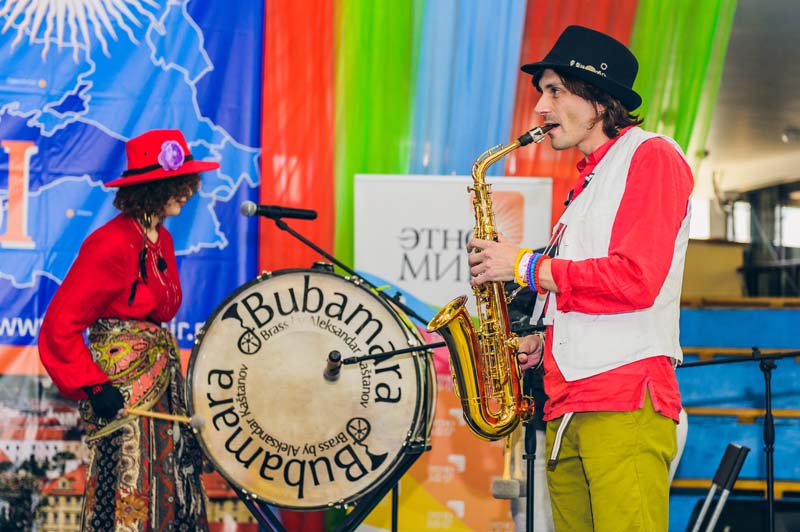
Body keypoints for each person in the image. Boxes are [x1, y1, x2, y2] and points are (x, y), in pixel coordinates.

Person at [468, 26, 693, 531]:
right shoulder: (588, 180)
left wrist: (523, 266)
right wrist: (544, 342)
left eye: (554, 91)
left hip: (623, 401)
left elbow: (636, 279)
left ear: (598, 99)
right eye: (541, 93)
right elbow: (588, 293)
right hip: (566, 404)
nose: (539, 108)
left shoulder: (651, 155)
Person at [38, 129, 219, 531]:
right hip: (124, 395)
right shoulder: (109, 244)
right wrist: (95, 387)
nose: (187, 193)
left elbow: (162, 308)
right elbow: (59, 325)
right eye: (178, 184)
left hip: (162, 389)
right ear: (152, 189)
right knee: (130, 489)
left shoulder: (162, 240)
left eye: (188, 182)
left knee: (171, 486)